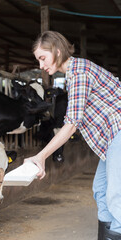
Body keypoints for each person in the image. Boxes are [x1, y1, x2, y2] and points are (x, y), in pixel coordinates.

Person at [25, 30, 121, 240]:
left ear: (57, 51)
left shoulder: (79, 73)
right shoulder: (74, 72)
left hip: (119, 133)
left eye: (42, 58)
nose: (41, 66)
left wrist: (41, 156)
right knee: (101, 190)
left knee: (116, 197)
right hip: (114, 137)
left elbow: (71, 124)